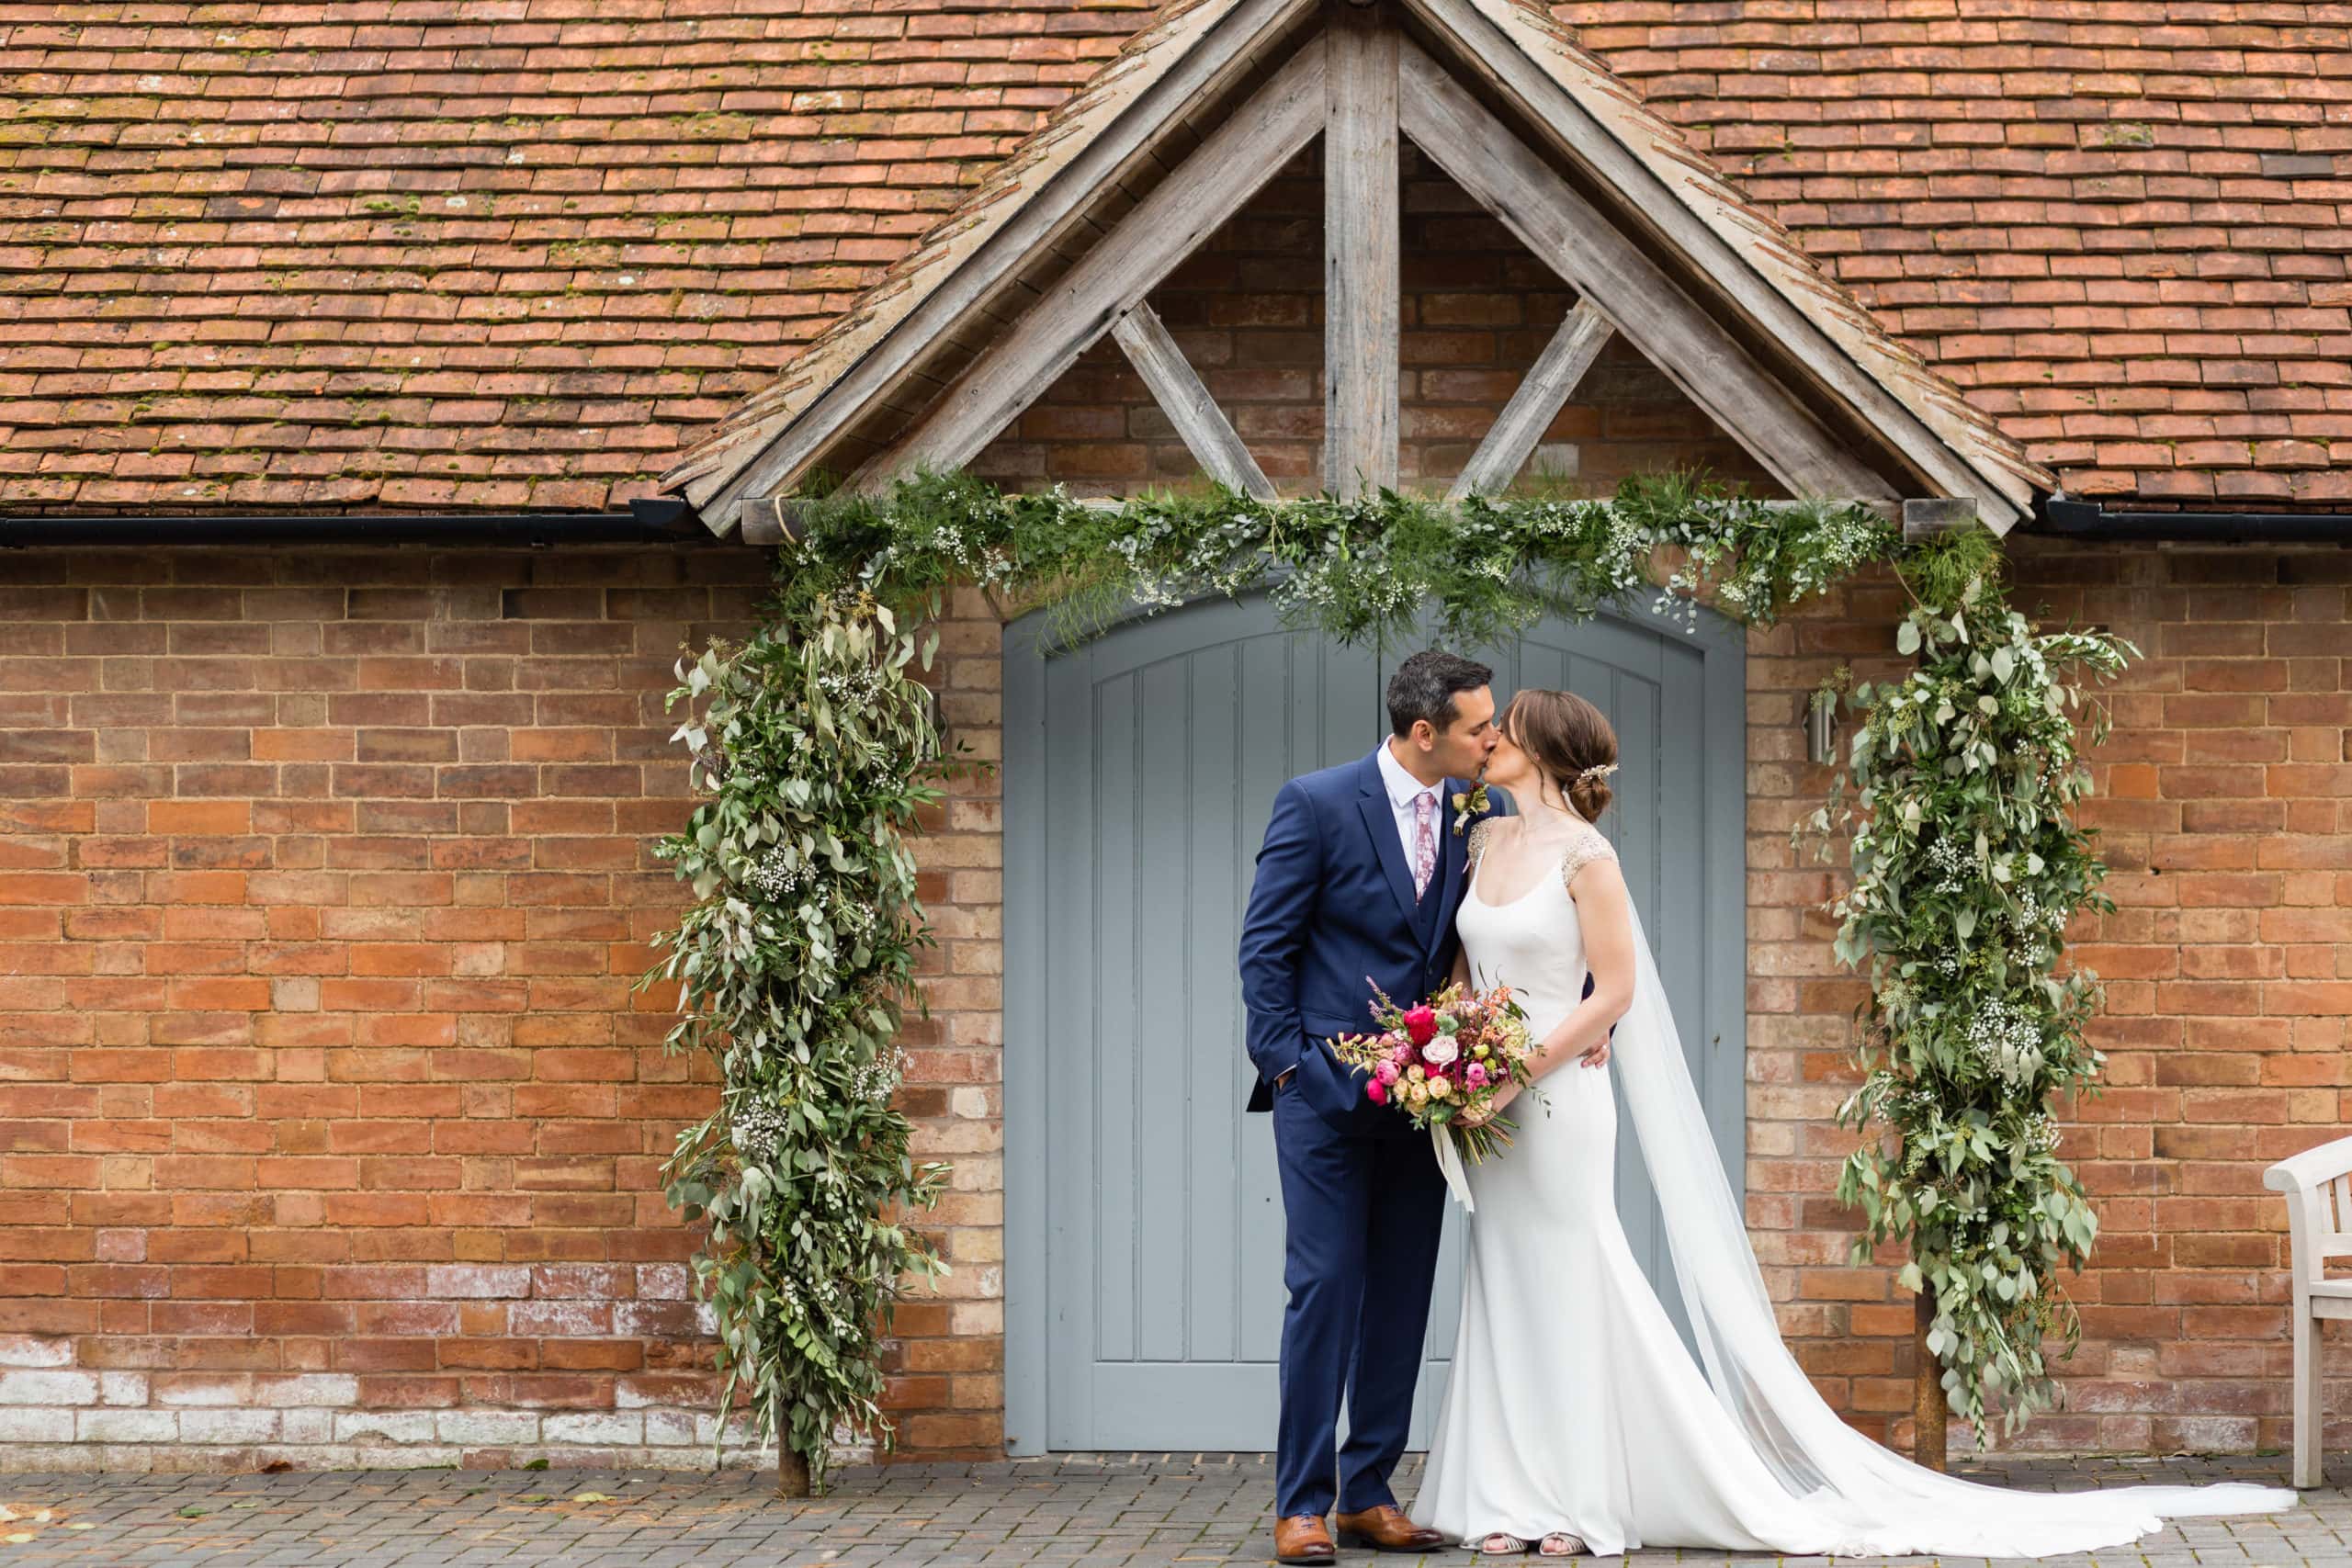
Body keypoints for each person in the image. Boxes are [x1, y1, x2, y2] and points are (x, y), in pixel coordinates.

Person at [1412, 686, 2294, 1557]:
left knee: (1571, 1283)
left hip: (1557, 1102)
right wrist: (1452, 1057)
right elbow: (1464, 963)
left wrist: (1517, 1070)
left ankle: (1575, 1498)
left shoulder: (1587, 857)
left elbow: (1615, 991)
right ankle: (1508, 1492)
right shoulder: (1484, 837)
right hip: (1486, 1103)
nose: (1489, 741)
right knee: (1502, 1286)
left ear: (1546, 749)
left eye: (1507, 729)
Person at [1236, 649, 1499, 1566]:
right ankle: (1301, 1503)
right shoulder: (1313, 803)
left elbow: (1513, 922)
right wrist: (1289, 1071)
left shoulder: (1485, 809)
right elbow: (1264, 948)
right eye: (1477, 726)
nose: (1492, 738)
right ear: (1424, 733)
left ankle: (1369, 1492)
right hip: (1325, 1093)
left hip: (1427, 1100)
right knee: (1323, 1292)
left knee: (1399, 1297)